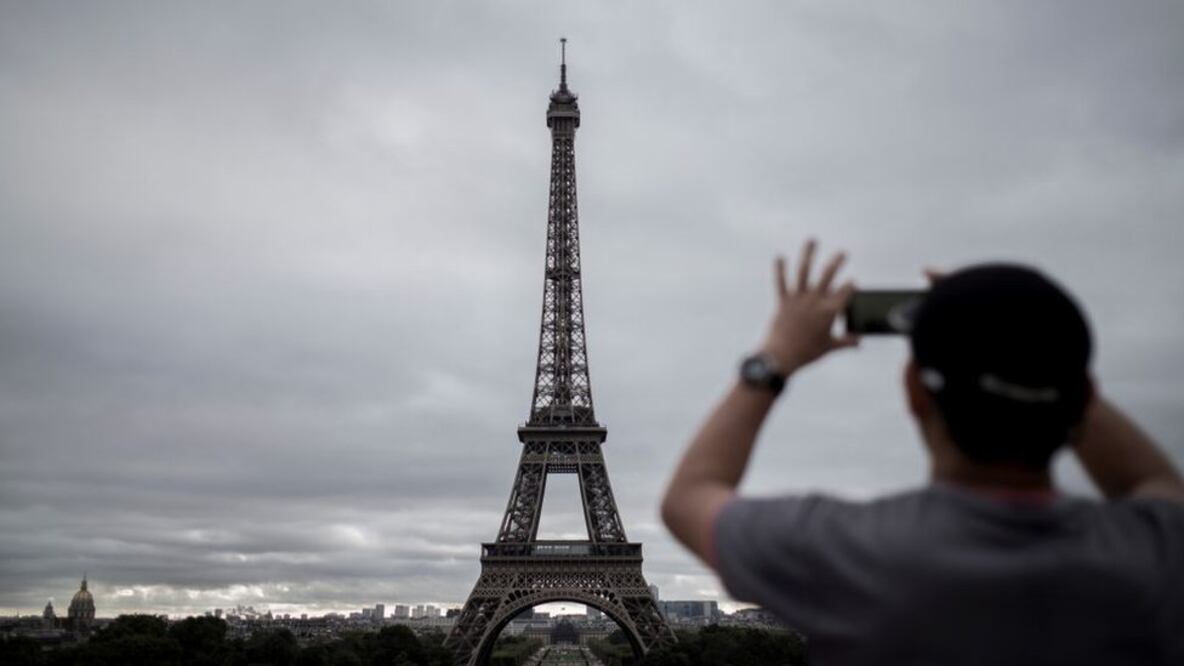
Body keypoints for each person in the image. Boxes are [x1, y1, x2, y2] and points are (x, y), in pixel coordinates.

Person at [661, 239, 1184, 666]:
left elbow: (690, 498)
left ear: (913, 391)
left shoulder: (846, 551)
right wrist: (1030, 350)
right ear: (1084, 399)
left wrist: (774, 358)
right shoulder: (1153, 555)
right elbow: (1152, 485)